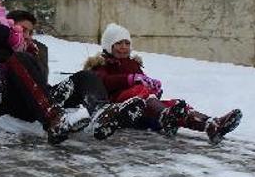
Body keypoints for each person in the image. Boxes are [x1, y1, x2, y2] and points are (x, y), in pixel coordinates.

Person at [0, 0, 145, 145]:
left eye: (31, 32)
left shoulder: (34, 50)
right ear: (10, 29)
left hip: (39, 98)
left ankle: (100, 113)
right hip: (14, 104)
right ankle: (53, 119)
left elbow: (40, 82)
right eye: (23, 31)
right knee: (20, 61)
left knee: (86, 77)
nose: (28, 36)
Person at [84, 23, 242, 145]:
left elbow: (146, 91)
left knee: (173, 105)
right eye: (119, 43)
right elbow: (102, 83)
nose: (124, 47)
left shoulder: (133, 64)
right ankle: (165, 116)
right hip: (119, 107)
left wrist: (153, 87)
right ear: (108, 46)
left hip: (143, 108)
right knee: (140, 90)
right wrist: (130, 80)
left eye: (127, 43)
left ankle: (210, 125)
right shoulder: (100, 64)